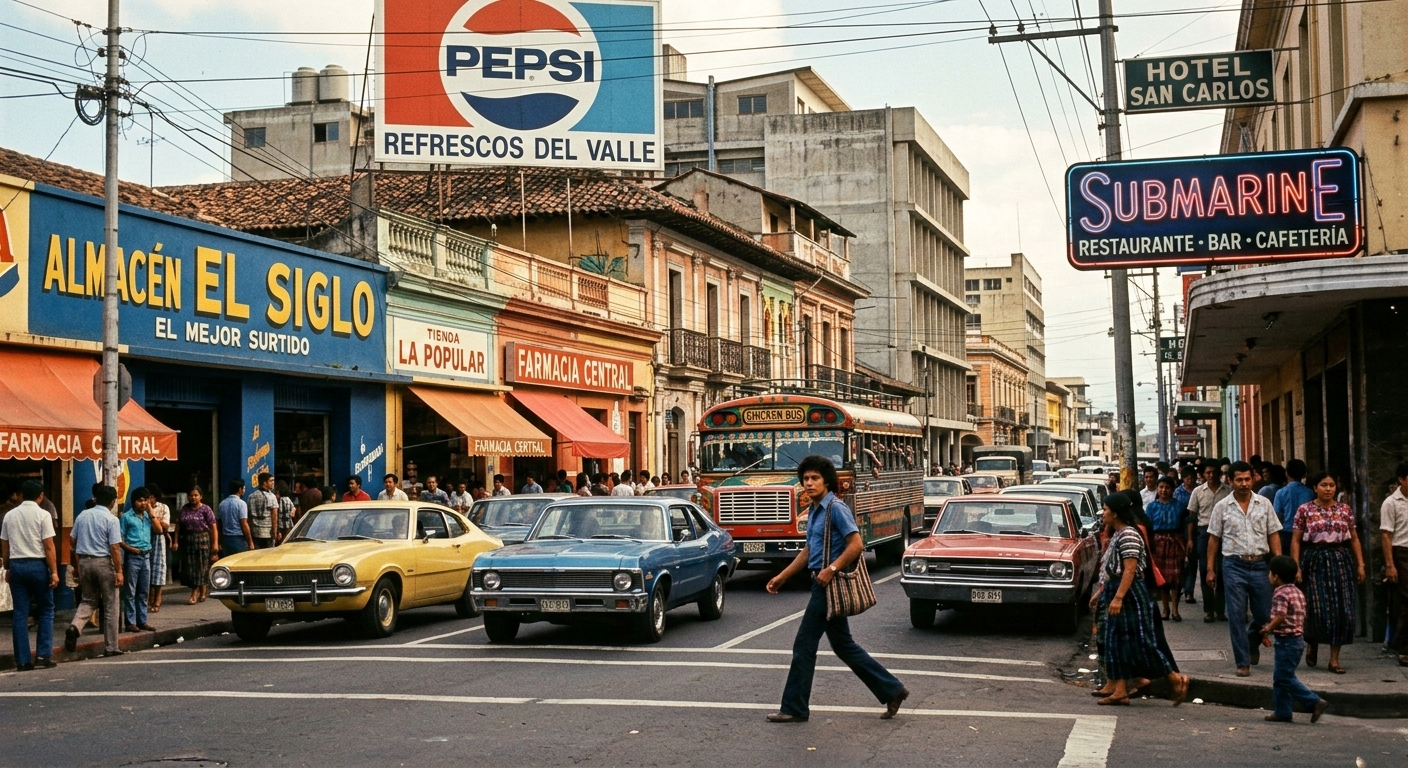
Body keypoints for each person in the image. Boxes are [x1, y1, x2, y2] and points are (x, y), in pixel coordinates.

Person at [765, 455, 909, 722]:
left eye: (814, 478)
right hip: (821, 582)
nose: (808, 483)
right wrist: (782, 576)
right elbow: (810, 550)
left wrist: (831, 569)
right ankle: (893, 690)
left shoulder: (836, 508)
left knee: (804, 645)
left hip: (828, 586)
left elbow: (856, 545)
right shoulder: (815, 511)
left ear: (827, 481)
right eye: (805, 479)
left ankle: (795, 708)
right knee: (843, 645)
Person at [1089, 493, 1189, 706]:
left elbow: (1130, 570)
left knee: (1140, 642)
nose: (1103, 513)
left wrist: (1118, 598)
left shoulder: (1129, 535)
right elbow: (1113, 570)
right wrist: (1102, 593)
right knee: (1116, 641)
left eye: (1106, 509)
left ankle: (1175, 678)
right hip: (1116, 588)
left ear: (1115, 513)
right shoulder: (1118, 533)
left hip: (1130, 593)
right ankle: (1120, 690)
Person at [1207, 461, 1283, 677]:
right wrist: (1210, 569)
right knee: (1237, 615)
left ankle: (1252, 639)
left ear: (1254, 479)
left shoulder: (1264, 504)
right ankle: (1242, 662)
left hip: (1260, 564)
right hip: (1233, 565)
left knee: (1265, 614)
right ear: (1230, 481)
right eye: (1238, 480)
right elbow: (1213, 539)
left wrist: (1278, 563)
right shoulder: (1222, 506)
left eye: (1247, 479)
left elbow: (1273, 533)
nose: (1243, 484)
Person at [1290, 471, 1365, 674]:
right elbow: (1296, 540)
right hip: (1314, 561)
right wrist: (1296, 566)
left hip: (1340, 560)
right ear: (1315, 488)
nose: (1328, 489)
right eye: (1324, 485)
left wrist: (1360, 564)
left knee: (1342, 609)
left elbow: (1354, 538)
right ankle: (1312, 641)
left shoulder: (1345, 510)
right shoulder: (1305, 510)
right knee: (1316, 607)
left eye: (1331, 485)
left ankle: (1334, 659)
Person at [1260, 555, 1328, 723]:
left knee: (1284, 678)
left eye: (1270, 573)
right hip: (1297, 640)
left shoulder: (1280, 594)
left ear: (1275, 576)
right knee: (1280, 677)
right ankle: (1282, 711)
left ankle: (1313, 701)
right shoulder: (1297, 592)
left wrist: (1268, 628)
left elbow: (1280, 616)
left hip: (1287, 641)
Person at [1, 480, 59, 670]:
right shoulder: (43, 515)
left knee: (20, 613)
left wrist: (8, 567)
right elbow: (49, 546)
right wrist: (54, 572)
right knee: (46, 610)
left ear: (22, 495)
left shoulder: (10, 515)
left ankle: (23, 660)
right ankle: (43, 655)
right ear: (40, 496)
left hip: (17, 565)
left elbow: (5, 545)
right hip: (38, 564)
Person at [65, 485, 123, 657]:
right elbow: (114, 547)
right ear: (113, 502)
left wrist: (77, 564)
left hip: (84, 562)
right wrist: (119, 571)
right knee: (111, 604)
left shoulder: (83, 515)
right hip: (103, 562)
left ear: (96, 499)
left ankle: (75, 626)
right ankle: (111, 646)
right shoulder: (112, 520)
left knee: (88, 600)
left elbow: (72, 540)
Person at [1188, 463, 1231, 622]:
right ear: (1204, 474)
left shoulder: (1228, 491)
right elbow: (1192, 516)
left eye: (1214, 472)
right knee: (1206, 570)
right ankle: (1208, 610)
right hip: (1204, 533)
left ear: (1220, 474)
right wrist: (1191, 539)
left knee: (1222, 570)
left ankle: (1220, 610)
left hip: (1224, 534)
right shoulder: (1198, 492)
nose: (1211, 475)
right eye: (1208, 472)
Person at [1146, 476, 1188, 622]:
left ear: (1172, 489)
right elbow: (1149, 528)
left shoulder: (1180, 506)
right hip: (1158, 543)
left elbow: (1184, 526)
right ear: (1158, 489)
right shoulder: (1151, 507)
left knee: (1175, 578)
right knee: (1162, 579)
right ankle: (1165, 609)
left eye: (1167, 487)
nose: (1164, 490)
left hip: (1175, 542)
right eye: (1161, 487)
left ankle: (1175, 610)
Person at [1379, 462, 1408, 667]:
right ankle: (1404, 648)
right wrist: (1390, 564)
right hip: (1402, 553)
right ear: (1401, 479)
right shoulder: (1391, 503)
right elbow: (1386, 535)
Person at [118, 487, 156, 633]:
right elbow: (120, 539)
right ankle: (130, 622)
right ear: (134, 502)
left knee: (144, 590)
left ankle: (142, 620)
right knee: (130, 591)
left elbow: (158, 530)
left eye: (145, 500)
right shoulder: (126, 517)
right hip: (133, 556)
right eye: (140, 500)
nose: (143, 503)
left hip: (146, 556)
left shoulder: (148, 516)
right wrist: (130, 549)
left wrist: (151, 512)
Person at [172, 486, 217, 604]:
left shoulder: (206, 509)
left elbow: (213, 527)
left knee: (202, 567)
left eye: (196, 495)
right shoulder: (184, 509)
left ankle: (196, 593)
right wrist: (175, 541)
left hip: (203, 540)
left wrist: (215, 544)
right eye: (191, 495)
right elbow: (178, 526)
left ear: (201, 496)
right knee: (191, 568)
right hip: (188, 541)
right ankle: (201, 590)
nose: (193, 497)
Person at [1274, 459, 1316, 556]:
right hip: (1306, 535)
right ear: (1304, 474)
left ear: (1287, 473)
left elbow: (1277, 516)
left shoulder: (1281, 493)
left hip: (1287, 535)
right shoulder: (1310, 493)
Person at [1174, 466, 1199, 605]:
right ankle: (1180, 587)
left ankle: (1189, 591)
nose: (1190, 481)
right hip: (1180, 529)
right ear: (1183, 479)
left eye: (1192, 478)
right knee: (1180, 561)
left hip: (1197, 529)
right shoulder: (1177, 492)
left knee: (1192, 562)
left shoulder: (1198, 490)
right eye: (1187, 478)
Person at [147, 483, 171, 613]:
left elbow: (165, 526)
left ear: (154, 497)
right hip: (146, 538)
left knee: (159, 568)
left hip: (158, 539)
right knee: (147, 568)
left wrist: (154, 517)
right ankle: (150, 597)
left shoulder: (163, 507)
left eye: (149, 497)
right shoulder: (143, 508)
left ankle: (158, 597)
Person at [217, 479, 253, 555]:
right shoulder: (241, 504)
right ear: (240, 489)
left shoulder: (222, 504)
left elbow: (219, 524)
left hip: (226, 539)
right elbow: (244, 524)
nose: (244, 490)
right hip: (238, 539)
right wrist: (250, 542)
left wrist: (219, 541)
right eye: (244, 488)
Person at [246, 472, 278, 549]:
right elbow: (274, 515)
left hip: (255, 532)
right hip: (267, 532)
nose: (273, 483)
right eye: (271, 481)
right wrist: (275, 531)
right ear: (264, 483)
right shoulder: (271, 496)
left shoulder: (251, 496)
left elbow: (249, 515)